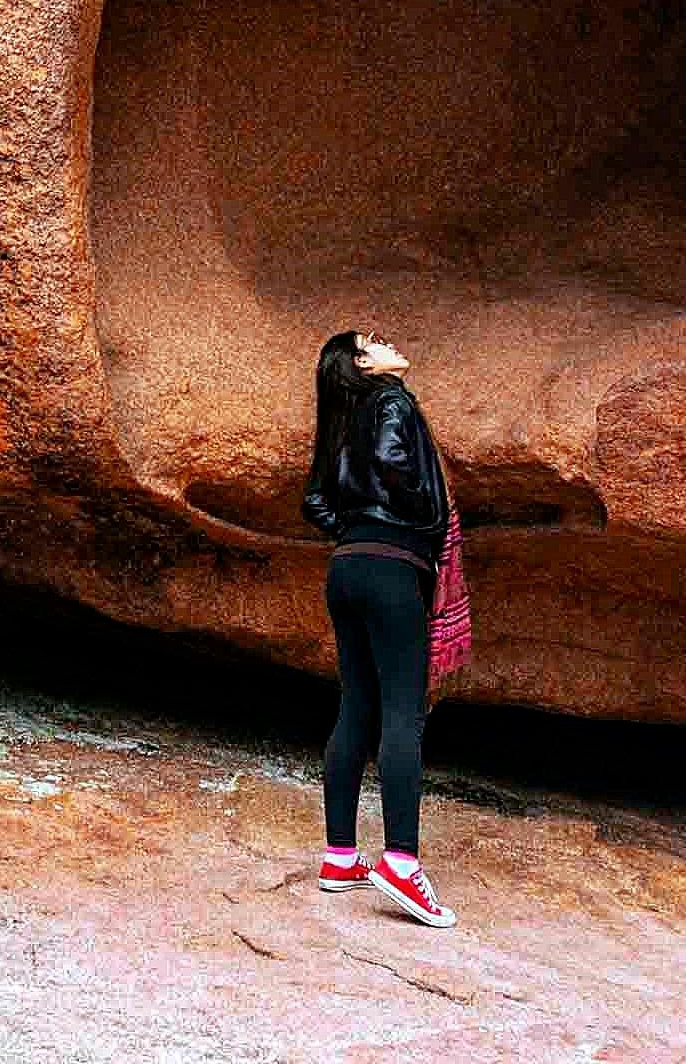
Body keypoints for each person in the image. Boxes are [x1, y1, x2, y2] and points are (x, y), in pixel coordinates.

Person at [300, 327, 460, 928]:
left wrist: (354, 528)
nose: (391, 342)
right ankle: (400, 861)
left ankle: (340, 855)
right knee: (402, 713)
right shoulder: (391, 398)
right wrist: (425, 515)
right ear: (363, 362)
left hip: (347, 569)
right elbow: (398, 465)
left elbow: (314, 501)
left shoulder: (341, 421)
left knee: (357, 708)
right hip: (393, 569)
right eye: (375, 340)